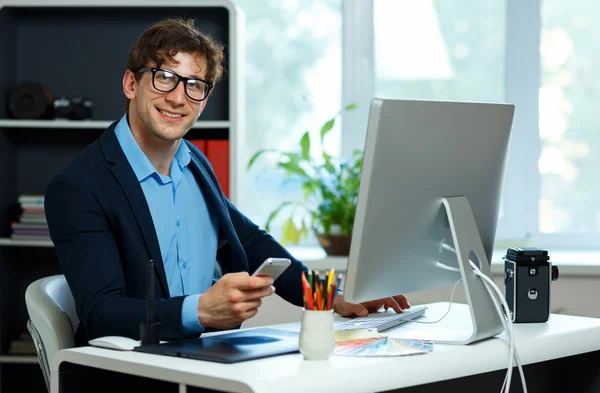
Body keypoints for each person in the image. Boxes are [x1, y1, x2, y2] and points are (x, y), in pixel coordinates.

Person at [44, 17, 410, 345]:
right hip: (135, 375)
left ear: (203, 102)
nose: (177, 97)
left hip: (209, 358)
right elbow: (102, 313)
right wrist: (200, 311)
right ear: (130, 84)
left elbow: (250, 241)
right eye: (165, 77)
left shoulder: (194, 162)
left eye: (194, 85)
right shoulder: (79, 187)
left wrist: (332, 297)